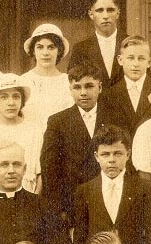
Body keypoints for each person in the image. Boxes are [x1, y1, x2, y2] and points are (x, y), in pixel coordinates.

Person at [72, 125, 151, 244]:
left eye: (117, 153)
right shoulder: (85, 191)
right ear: (96, 156)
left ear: (128, 154)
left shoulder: (145, 188)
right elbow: (80, 240)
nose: (111, 160)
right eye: (105, 154)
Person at [40, 62, 108, 225]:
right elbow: (49, 168)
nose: (83, 92)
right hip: (72, 204)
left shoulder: (114, 116)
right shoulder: (57, 122)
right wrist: (60, 209)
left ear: (100, 87)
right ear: (70, 90)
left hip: (107, 199)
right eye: (77, 87)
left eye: (89, 86)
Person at [99, 36, 151, 138]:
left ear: (149, 62)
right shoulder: (109, 94)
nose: (135, 64)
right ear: (120, 60)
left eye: (141, 58)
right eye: (130, 58)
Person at [19, 24, 74, 125]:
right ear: (33, 51)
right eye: (40, 47)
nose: (45, 53)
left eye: (51, 47)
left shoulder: (68, 82)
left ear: (59, 51)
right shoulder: (23, 81)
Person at [68, 0, 125, 88]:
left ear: (118, 13)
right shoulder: (80, 49)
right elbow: (75, 85)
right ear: (91, 14)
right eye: (99, 10)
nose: (105, 16)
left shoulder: (131, 44)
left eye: (110, 10)